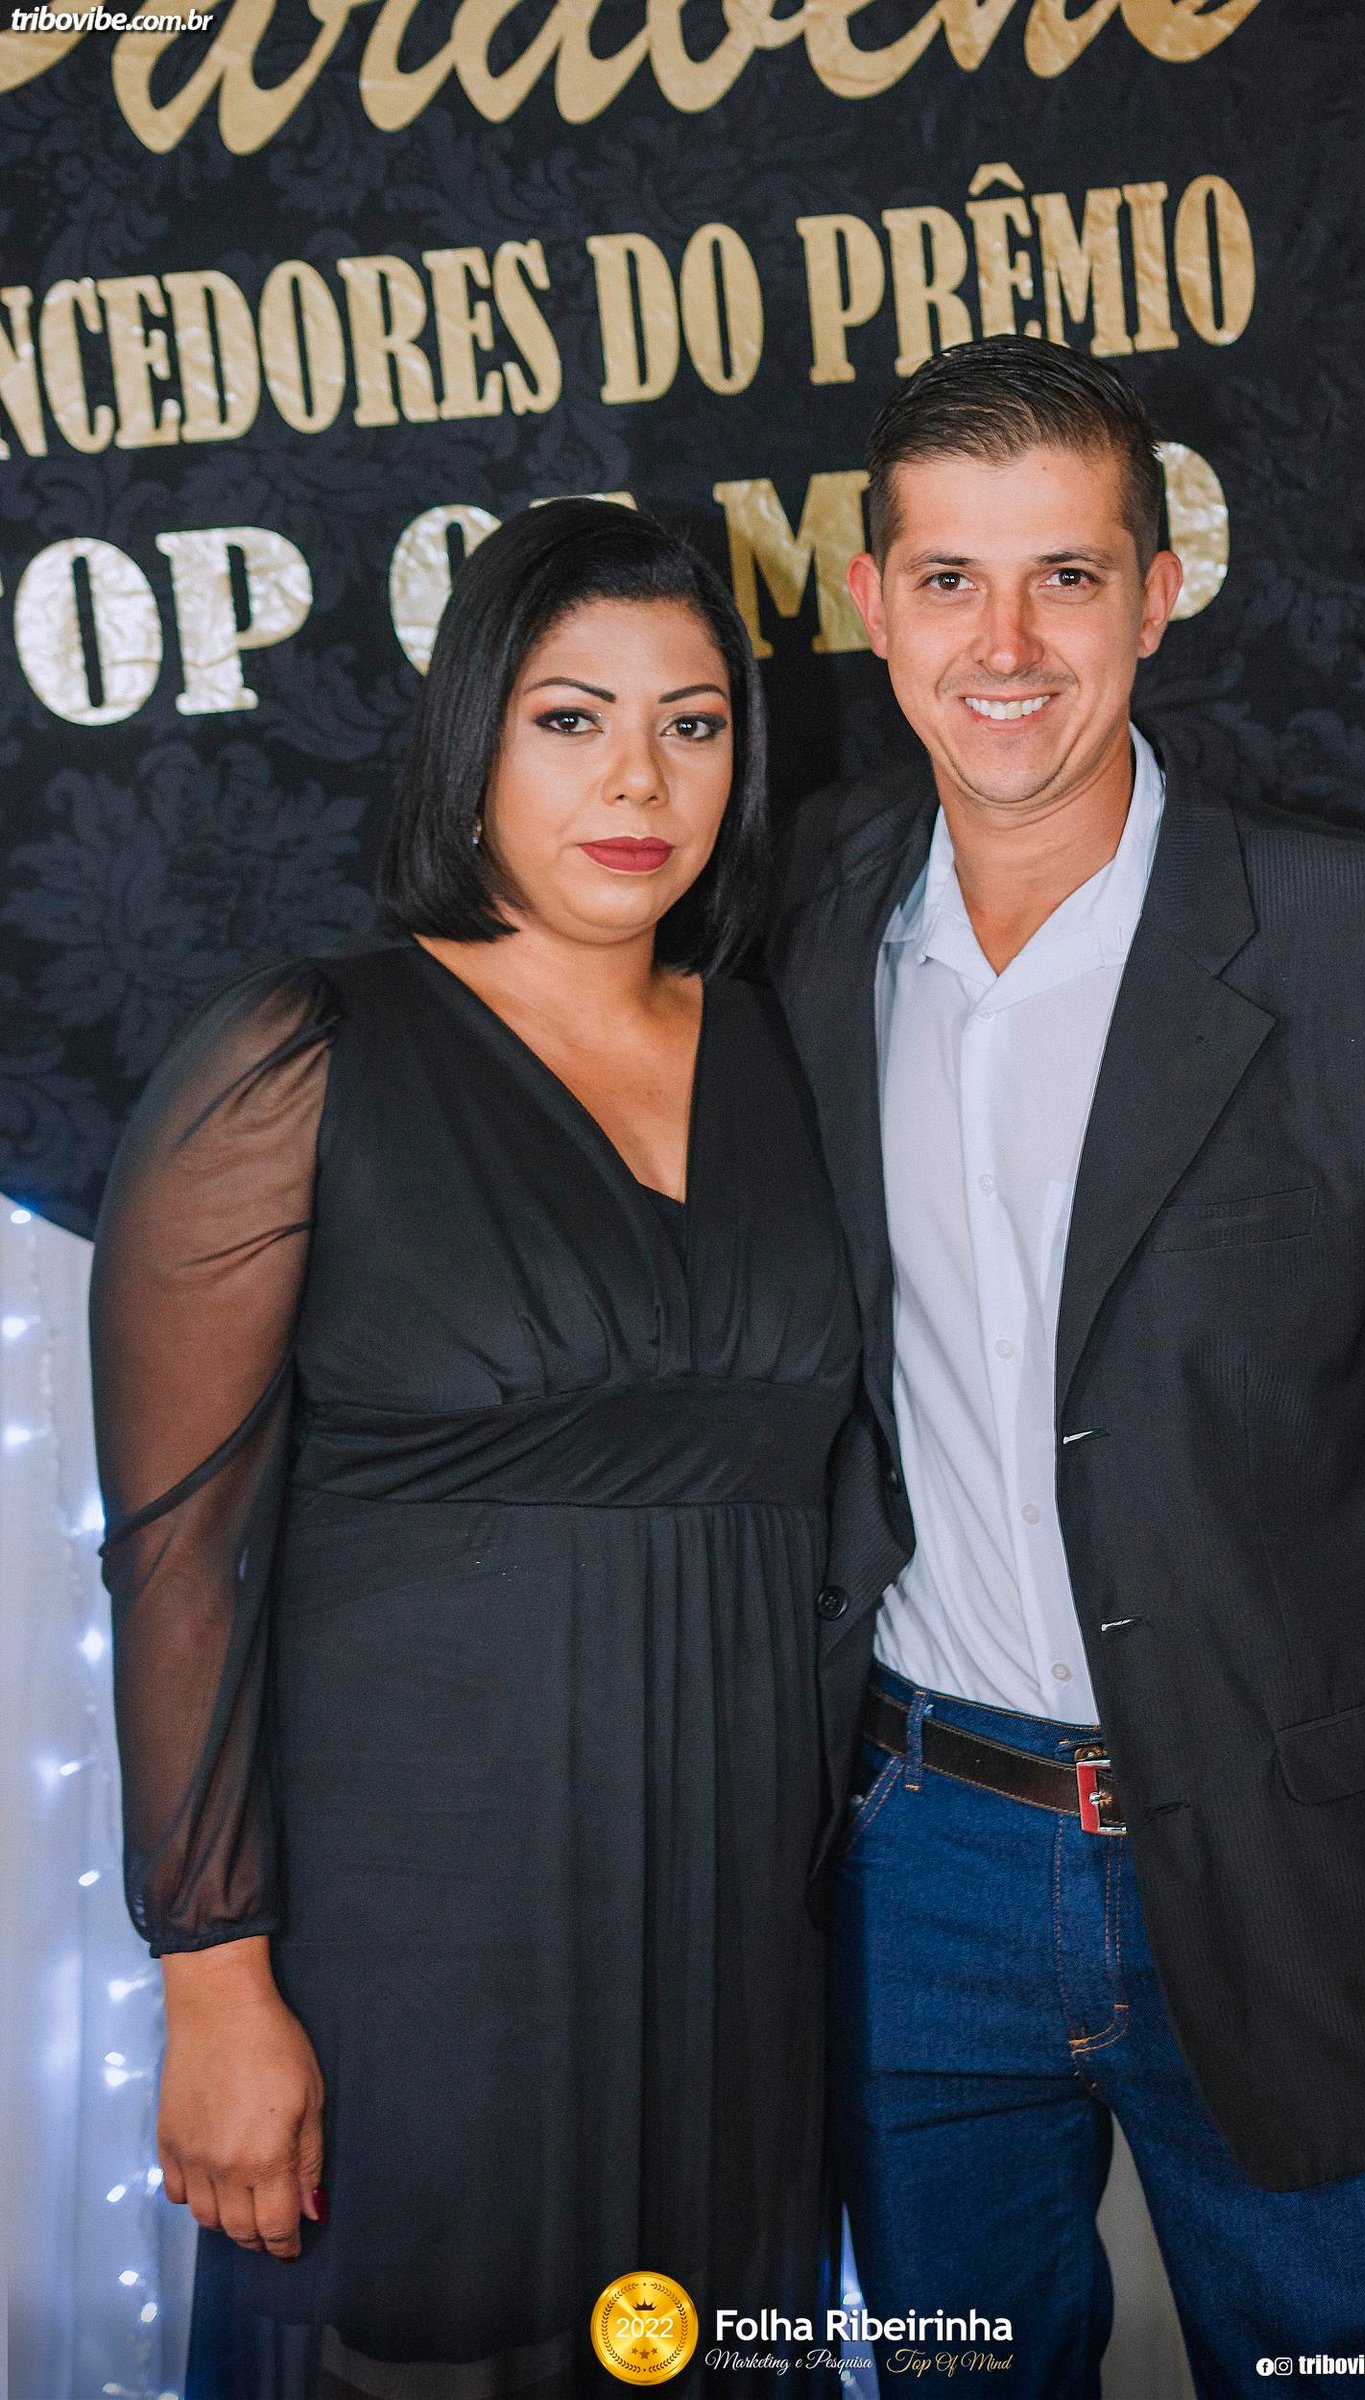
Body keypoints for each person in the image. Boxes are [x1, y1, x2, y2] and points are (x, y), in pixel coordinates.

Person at [763, 337, 1365, 2398]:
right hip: (910, 1866)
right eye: (949, 581)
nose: (1005, 646)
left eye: (1064, 575)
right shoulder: (798, 920)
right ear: (871, 605)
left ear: (1158, 590)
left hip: (1307, 1878)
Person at [89, 498, 861, 2399]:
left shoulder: (789, 1054)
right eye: (569, 718)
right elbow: (182, 1557)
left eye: (693, 724)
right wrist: (216, 1985)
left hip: (735, 1957)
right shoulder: (302, 1054)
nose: (639, 780)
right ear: (472, 743)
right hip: (414, 1960)